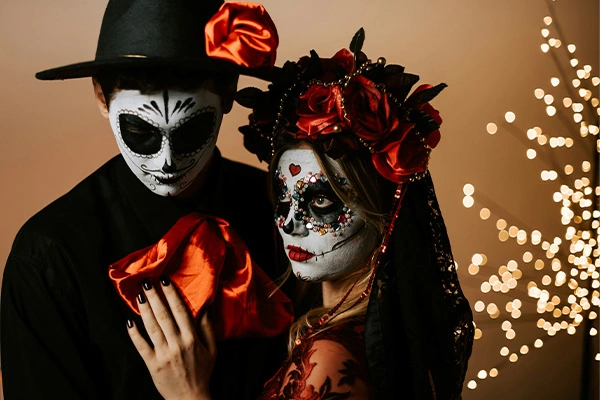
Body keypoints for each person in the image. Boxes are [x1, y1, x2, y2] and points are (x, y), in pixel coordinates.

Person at [127, 29, 475, 399]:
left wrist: (188, 392)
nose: (287, 223)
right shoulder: (382, 331)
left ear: (385, 210)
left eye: (321, 202)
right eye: (282, 197)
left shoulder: (329, 357)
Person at [0, 1, 292, 399]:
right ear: (102, 98)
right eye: (141, 131)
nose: (167, 161)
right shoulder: (51, 257)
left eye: (190, 130)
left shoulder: (290, 216)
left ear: (228, 92)